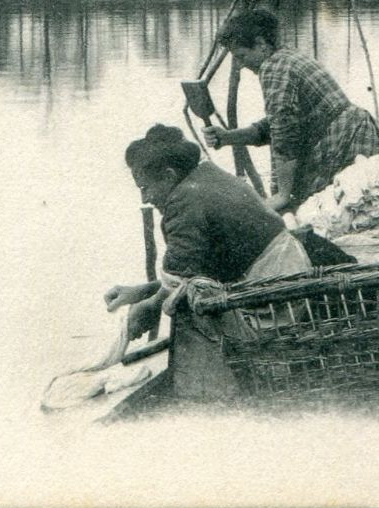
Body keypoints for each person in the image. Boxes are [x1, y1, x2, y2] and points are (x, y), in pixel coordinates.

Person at [102, 125, 347, 399]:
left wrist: (149, 307)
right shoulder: (206, 175)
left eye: (146, 187)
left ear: (169, 175)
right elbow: (190, 269)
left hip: (276, 298)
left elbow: (182, 278)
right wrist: (141, 292)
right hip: (285, 272)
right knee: (186, 293)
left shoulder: (184, 201)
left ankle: (210, 396)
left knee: (188, 307)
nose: (145, 198)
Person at [204, 7, 379, 212]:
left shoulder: (273, 68)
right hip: (355, 136)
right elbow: (278, 123)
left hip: (348, 144)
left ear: (260, 44)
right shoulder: (286, 57)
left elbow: (284, 133)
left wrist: (283, 194)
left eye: (242, 56)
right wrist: (228, 137)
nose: (241, 65)